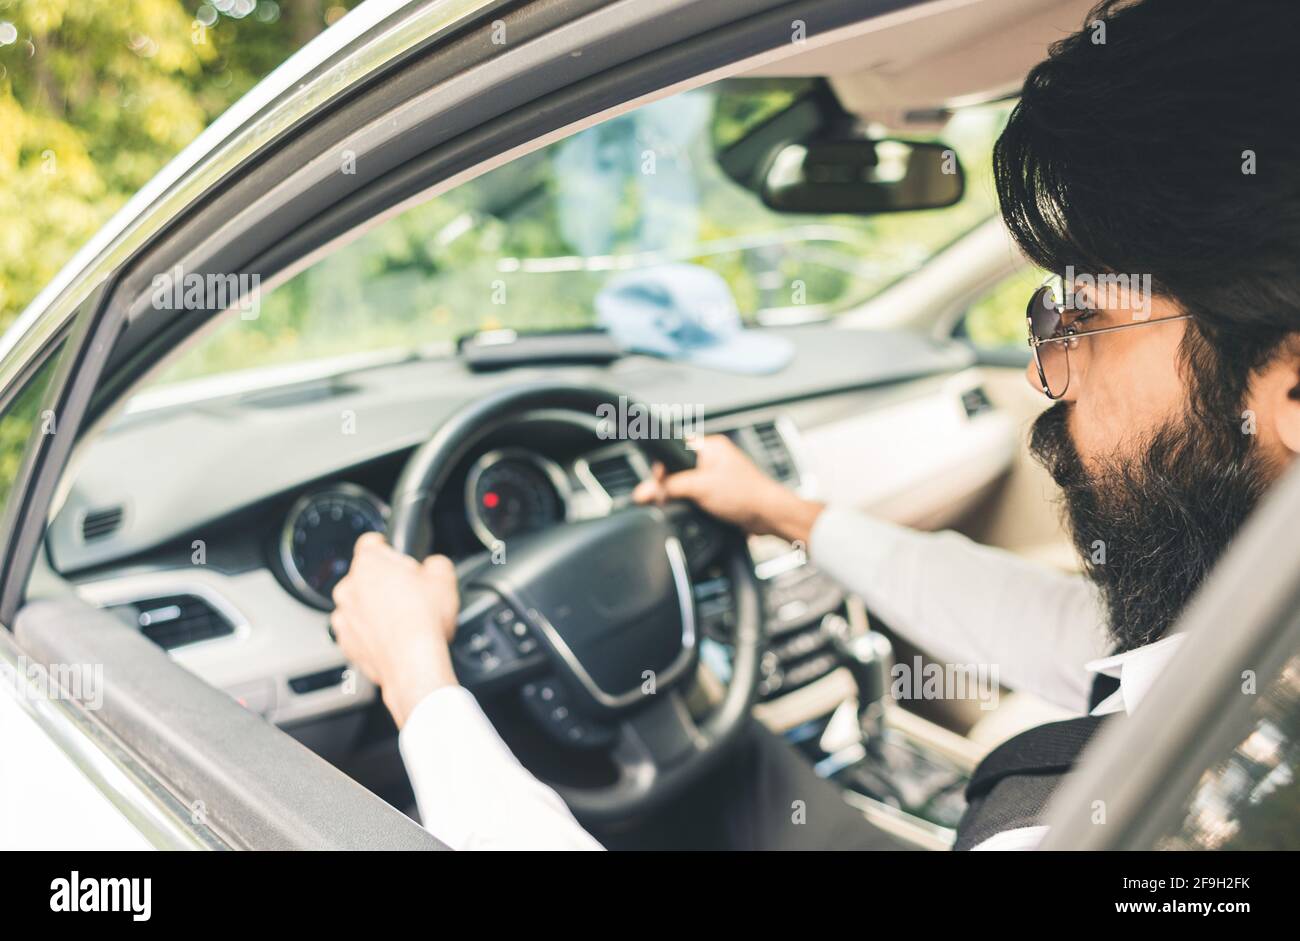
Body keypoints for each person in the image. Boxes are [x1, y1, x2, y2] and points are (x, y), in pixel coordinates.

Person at [329, 0, 1300, 849]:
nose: (1050, 376)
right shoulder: (1257, 630)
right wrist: (790, 513)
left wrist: (420, 683)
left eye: (1080, 320)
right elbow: (1075, 635)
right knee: (737, 770)